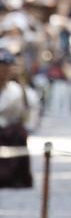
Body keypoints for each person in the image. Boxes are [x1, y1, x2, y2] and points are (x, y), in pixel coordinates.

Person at [0, 48, 40, 189]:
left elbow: (31, 112)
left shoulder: (18, 91)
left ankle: (15, 178)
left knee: (19, 134)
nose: (4, 70)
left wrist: (27, 126)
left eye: (6, 67)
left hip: (11, 131)